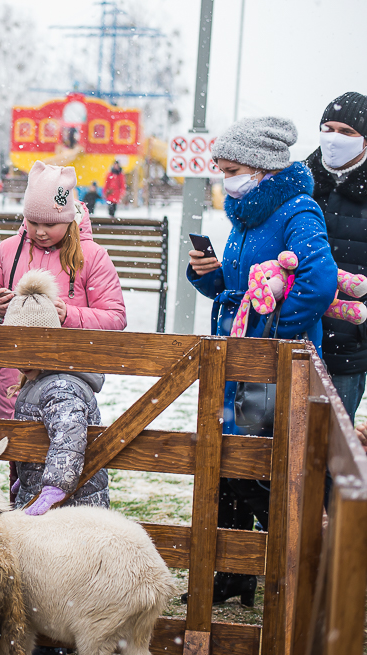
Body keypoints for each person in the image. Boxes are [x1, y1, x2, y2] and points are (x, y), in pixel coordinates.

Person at [186, 116, 337, 605]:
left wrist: (272, 334)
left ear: (260, 168)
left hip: (268, 369)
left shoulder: (298, 211)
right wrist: (207, 275)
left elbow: (318, 282)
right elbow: (239, 289)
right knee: (228, 468)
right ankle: (233, 576)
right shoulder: (247, 216)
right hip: (237, 363)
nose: (224, 178)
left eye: (231, 168)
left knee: (250, 469)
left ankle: (301, 558)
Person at [0, 161, 126, 423]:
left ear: (67, 219)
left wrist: (70, 315)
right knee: (17, 456)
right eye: (33, 222)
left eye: (50, 224)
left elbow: (115, 317)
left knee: (64, 452)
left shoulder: (92, 257)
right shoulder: (8, 251)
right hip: (11, 379)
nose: (40, 232)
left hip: (67, 381)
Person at [2, 269, 109, 514]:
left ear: (51, 342)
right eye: (14, 345)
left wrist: (54, 488)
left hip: (70, 510)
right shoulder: (37, 382)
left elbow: (68, 438)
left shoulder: (60, 386)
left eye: (33, 345)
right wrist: (27, 477)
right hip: (50, 501)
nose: (22, 354)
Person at [305, 92, 367, 424]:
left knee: (330, 451)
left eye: (346, 131)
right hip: (295, 334)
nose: (334, 138)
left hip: (347, 344)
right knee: (278, 445)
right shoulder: (300, 183)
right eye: (327, 128)